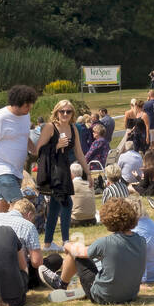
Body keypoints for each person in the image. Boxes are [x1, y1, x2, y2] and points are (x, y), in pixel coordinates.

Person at [38, 198, 145, 305]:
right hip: (131, 294)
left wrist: (67, 245)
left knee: (76, 253)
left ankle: (60, 284)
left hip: (103, 296)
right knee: (91, 256)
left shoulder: (105, 243)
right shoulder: (141, 240)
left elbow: (79, 252)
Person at [35, 99, 89, 250]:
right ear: (56, 112)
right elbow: (38, 150)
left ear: (72, 114)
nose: (65, 114)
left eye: (68, 111)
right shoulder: (50, 127)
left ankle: (47, 243)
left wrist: (88, 172)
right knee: (67, 203)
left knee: (54, 206)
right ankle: (65, 241)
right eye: (62, 111)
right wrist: (57, 145)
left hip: (64, 169)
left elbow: (79, 152)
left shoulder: (73, 128)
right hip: (52, 171)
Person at [0, 85, 39, 213]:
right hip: (2, 170)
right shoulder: (0, 118)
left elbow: (25, 137)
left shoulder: (26, 116)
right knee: (20, 206)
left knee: (2, 206)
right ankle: (23, 232)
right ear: (17, 104)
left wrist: (36, 150)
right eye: (27, 105)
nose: (29, 108)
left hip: (17, 171)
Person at [126, 194, 154, 287]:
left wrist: (141, 281)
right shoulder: (149, 222)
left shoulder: (136, 230)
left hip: (148, 275)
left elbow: (139, 256)